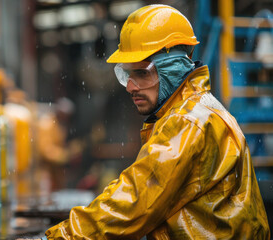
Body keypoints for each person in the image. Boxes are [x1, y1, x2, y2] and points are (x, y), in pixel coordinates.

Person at [41, 4, 270, 239]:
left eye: (142, 73)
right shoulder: (194, 111)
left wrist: (59, 237)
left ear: (173, 68)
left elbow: (134, 202)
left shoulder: (187, 121)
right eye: (127, 75)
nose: (130, 86)